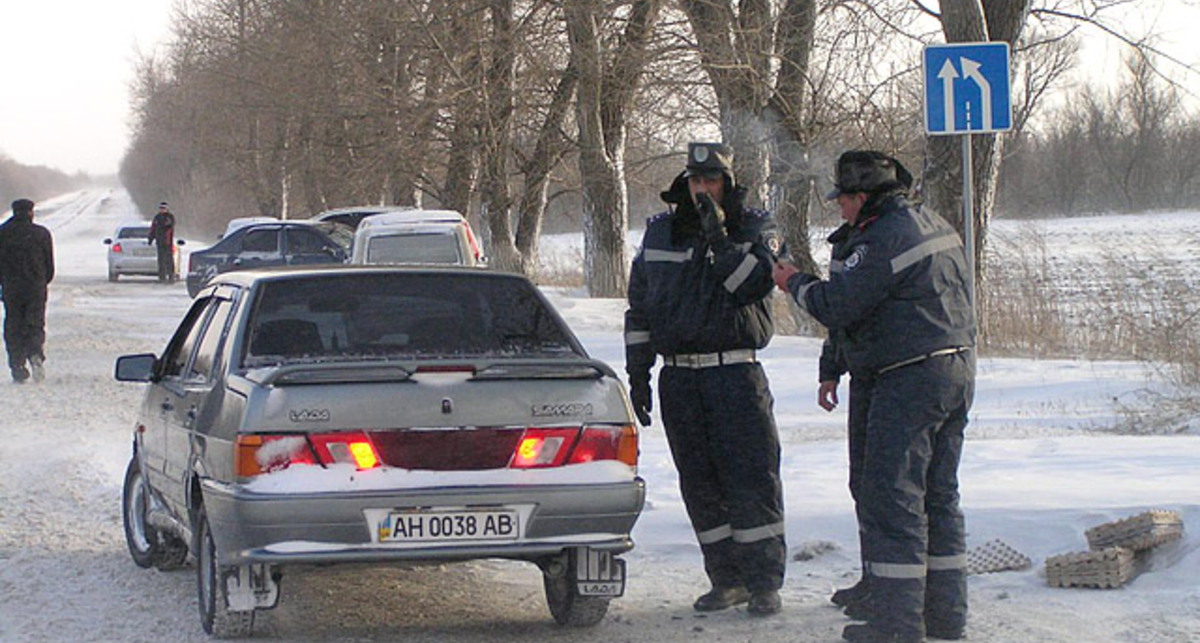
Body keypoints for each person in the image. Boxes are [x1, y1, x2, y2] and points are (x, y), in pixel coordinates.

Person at [773, 151, 976, 643]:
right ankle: (944, 615)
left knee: (893, 498)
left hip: (909, 377)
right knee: (938, 495)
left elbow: (838, 305)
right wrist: (833, 366)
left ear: (862, 197)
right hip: (954, 369)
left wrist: (791, 281)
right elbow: (871, 310)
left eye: (842, 200)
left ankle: (896, 624)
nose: (839, 208)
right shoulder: (930, 222)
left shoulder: (881, 238)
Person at [625, 142, 786, 616]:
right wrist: (639, 372)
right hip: (680, 378)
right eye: (695, 181)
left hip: (734, 373)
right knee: (699, 484)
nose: (701, 190)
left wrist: (718, 236)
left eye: (711, 181)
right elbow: (640, 307)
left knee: (751, 479)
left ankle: (763, 583)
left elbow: (749, 286)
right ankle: (726, 579)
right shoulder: (661, 232)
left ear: (727, 184)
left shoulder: (755, 227)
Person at [0, 198, 55, 383]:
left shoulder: (3, 233)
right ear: (31, 212)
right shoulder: (41, 234)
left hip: (11, 287)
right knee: (35, 323)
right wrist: (41, 281)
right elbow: (49, 267)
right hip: (35, 288)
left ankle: (17, 363)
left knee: (13, 324)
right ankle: (35, 354)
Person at [148, 201, 176, 283]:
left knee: (169, 259)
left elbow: (170, 226)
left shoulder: (170, 217)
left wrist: (164, 226)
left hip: (167, 242)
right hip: (159, 242)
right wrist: (151, 238)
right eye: (161, 208)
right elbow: (153, 228)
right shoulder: (157, 217)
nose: (162, 210)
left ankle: (171, 276)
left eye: (163, 208)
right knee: (161, 260)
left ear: (167, 209)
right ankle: (162, 277)